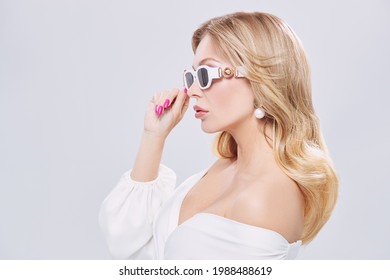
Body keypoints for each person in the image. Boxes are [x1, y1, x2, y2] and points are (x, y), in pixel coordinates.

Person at [99, 11, 338, 260]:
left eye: (205, 75)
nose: (191, 91)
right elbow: (128, 243)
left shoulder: (263, 198)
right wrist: (154, 136)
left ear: (259, 78)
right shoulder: (223, 169)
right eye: (192, 77)